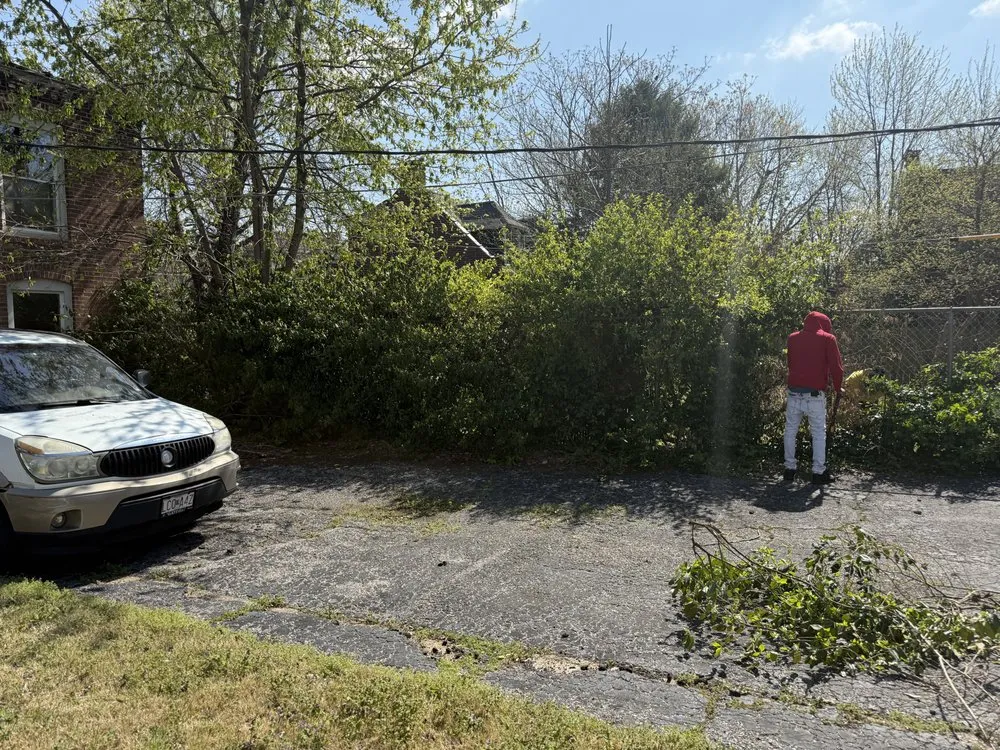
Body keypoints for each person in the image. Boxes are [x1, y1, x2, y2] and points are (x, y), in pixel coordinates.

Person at [783, 311, 844, 485]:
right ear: (824, 325)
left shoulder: (792, 338)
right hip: (815, 395)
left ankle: (789, 469)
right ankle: (818, 472)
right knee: (818, 434)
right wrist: (838, 387)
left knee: (790, 431)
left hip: (794, 393)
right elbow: (836, 367)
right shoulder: (828, 339)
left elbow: (791, 362)